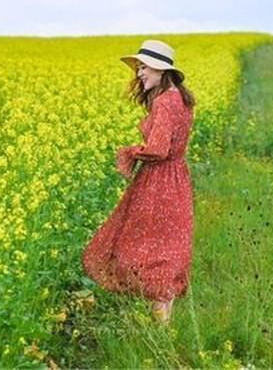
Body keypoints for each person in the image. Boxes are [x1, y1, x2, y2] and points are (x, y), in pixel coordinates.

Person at [81, 39, 195, 324]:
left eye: (144, 67)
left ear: (160, 70)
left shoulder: (164, 102)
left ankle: (158, 332)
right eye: (139, 68)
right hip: (177, 179)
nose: (139, 74)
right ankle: (163, 329)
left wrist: (131, 152)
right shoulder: (180, 98)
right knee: (167, 251)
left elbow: (158, 149)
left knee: (140, 249)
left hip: (158, 183)